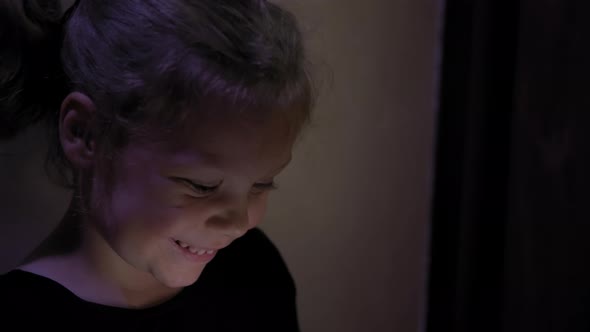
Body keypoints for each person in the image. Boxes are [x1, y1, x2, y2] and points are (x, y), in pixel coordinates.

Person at [0, 0, 314, 330]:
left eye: (261, 184)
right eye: (202, 185)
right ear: (86, 134)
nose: (236, 223)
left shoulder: (255, 271)